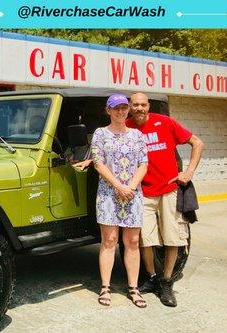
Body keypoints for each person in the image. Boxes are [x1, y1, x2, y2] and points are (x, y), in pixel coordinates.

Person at [126, 92, 204, 307]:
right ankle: (151, 277)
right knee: (144, 240)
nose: (139, 108)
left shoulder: (165, 122)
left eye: (143, 104)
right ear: (130, 106)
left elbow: (197, 143)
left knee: (173, 239)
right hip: (143, 192)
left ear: (148, 105)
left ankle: (166, 282)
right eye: (135, 105)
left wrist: (188, 172)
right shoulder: (127, 127)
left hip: (169, 190)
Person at [91, 94, 148, 308]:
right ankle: (105, 287)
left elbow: (144, 163)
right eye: (116, 108)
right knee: (109, 241)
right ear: (108, 110)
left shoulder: (137, 135)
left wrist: (131, 186)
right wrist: (118, 185)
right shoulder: (100, 134)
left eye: (124, 108)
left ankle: (133, 288)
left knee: (132, 242)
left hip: (132, 194)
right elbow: (98, 163)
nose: (120, 111)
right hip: (108, 194)